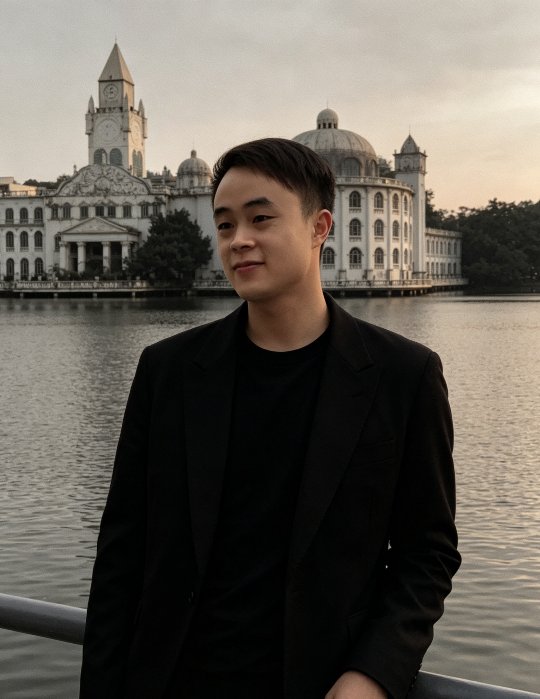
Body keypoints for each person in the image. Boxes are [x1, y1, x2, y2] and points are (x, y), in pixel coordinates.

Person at [80, 138, 460, 699]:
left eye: (260, 219)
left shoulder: (403, 376)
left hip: (318, 682)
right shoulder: (169, 371)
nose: (238, 240)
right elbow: (121, 553)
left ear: (319, 227)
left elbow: (427, 553)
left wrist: (375, 671)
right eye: (225, 224)